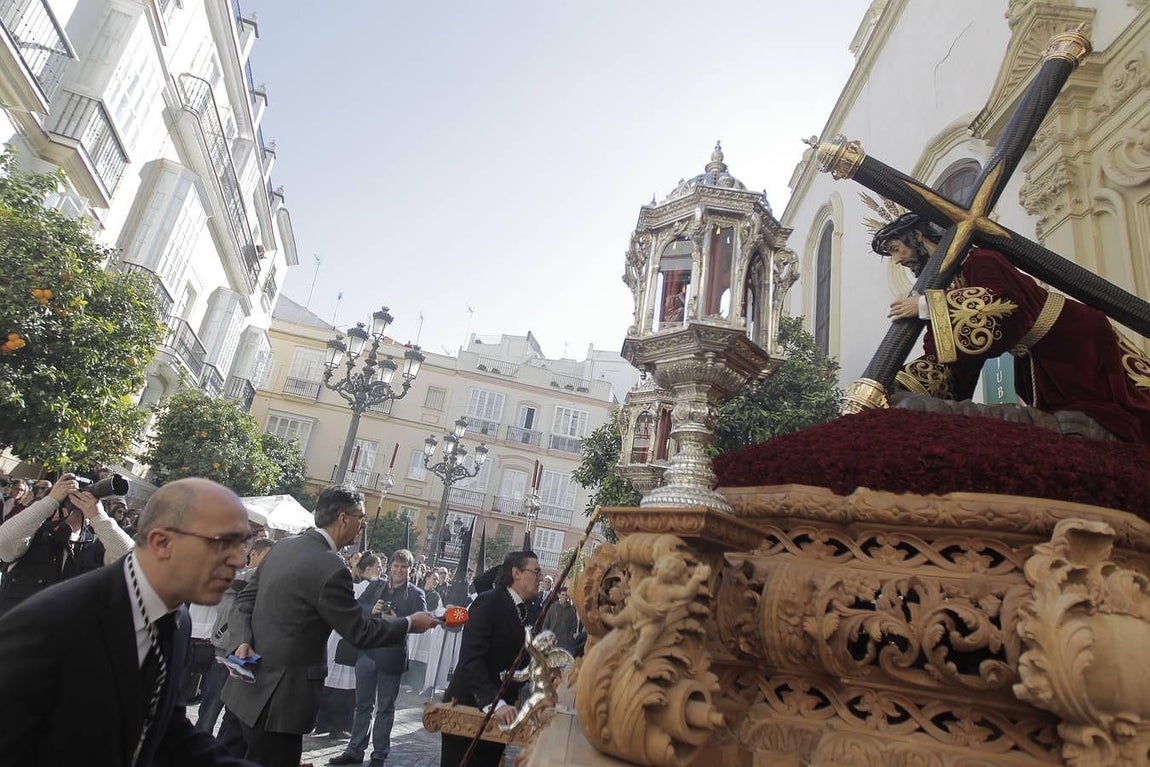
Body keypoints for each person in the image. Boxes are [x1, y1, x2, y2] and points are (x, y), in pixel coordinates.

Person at [0, 477, 258, 766]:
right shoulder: (54, 623)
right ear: (162, 542)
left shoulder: (177, 620)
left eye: (244, 543)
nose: (239, 560)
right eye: (223, 543)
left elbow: (164, 732)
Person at [875, 212, 1150, 443]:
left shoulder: (980, 260)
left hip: (1070, 340)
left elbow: (1003, 306)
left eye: (897, 249)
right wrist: (901, 384)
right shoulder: (949, 283)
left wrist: (926, 306)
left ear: (918, 236)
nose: (898, 260)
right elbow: (952, 356)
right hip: (1035, 356)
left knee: (1116, 414)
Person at [220, 485, 440, 766]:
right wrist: (409, 623)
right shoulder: (332, 568)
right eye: (361, 517)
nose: (363, 525)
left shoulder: (284, 547)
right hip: (281, 704)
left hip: (243, 693)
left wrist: (241, 640)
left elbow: (244, 602)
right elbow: (359, 631)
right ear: (343, 519)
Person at [440, 550, 540, 767]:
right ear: (516, 573)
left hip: (498, 721)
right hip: (469, 710)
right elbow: (471, 659)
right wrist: (495, 703)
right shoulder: (488, 602)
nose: (539, 578)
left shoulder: (526, 609)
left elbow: (518, 659)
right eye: (536, 572)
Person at [330, 549, 426, 766]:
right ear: (389, 566)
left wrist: (399, 620)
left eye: (404, 567)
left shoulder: (416, 594)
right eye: (396, 566)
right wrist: (372, 609)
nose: (399, 570)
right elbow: (357, 605)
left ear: (410, 570)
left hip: (391, 656)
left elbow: (421, 624)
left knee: (385, 709)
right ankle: (355, 750)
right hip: (368, 653)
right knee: (362, 705)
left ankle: (379, 755)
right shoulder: (376, 586)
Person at [0, 473, 134, 616]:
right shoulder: (32, 537)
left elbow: (134, 567)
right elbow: (4, 542)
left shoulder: (99, 549)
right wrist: (51, 501)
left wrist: (99, 517)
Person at [197, 538, 276, 734]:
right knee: (210, 708)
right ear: (254, 555)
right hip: (223, 652)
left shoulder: (264, 584)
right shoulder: (236, 578)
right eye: (268, 557)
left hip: (248, 655)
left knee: (234, 714)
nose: (271, 563)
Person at [541, 585, 579, 653]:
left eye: (566, 595)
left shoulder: (571, 610)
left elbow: (574, 626)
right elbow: (546, 623)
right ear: (558, 595)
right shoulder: (553, 607)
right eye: (563, 595)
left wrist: (569, 637)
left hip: (564, 643)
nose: (564, 597)